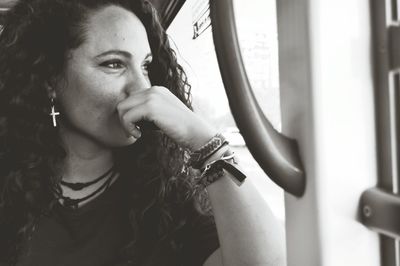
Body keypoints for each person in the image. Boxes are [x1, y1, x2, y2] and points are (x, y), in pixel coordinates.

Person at [0, 0, 286, 265]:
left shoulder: (167, 200)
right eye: (113, 64)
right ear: (50, 79)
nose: (142, 88)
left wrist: (207, 143)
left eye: (146, 66)